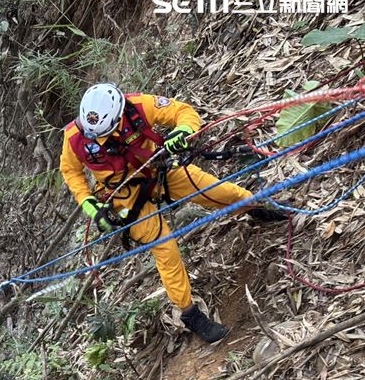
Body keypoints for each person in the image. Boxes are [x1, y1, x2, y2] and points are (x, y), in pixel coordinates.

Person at [60, 83, 286, 343]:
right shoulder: (75, 137)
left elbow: (184, 112)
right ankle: (189, 313)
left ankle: (258, 207)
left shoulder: (139, 106)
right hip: (124, 195)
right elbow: (71, 172)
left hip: (159, 170)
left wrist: (182, 131)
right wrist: (89, 204)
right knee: (165, 248)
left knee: (219, 192)